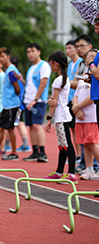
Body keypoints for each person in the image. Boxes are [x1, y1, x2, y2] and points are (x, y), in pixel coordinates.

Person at [44, 51, 77, 184]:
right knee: (63, 145)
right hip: (62, 116)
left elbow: (54, 102)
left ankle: (72, 174)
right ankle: (59, 171)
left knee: (67, 145)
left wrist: (48, 118)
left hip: (61, 117)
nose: (50, 66)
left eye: (51, 63)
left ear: (56, 64)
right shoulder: (64, 79)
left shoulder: (58, 80)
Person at [19, 43, 51, 162]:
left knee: (37, 125)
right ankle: (35, 152)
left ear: (39, 51)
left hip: (38, 101)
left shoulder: (44, 66)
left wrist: (35, 99)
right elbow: (29, 85)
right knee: (31, 127)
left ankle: (42, 153)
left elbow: (43, 83)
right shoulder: (31, 68)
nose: (30, 54)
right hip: (28, 102)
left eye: (33, 51)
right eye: (28, 52)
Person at [72, 49, 99, 180]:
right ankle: (89, 169)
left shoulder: (95, 76)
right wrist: (76, 108)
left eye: (93, 57)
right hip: (80, 117)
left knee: (91, 142)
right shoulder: (84, 78)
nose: (90, 59)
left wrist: (78, 106)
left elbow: (92, 97)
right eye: (88, 57)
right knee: (85, 143)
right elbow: (75, 95)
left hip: (91, 115)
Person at [10, 56, 31, 153]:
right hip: (19, 103)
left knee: (20, 123)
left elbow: (19, 90)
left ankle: (25, 145)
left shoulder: (14, 75)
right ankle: (24, 144)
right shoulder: (19, 75)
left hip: (17, 103)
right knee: (19, 123)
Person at [66, 40, 82, 158]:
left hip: (78, 99)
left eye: (70, 48)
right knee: (72, 128)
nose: (68, 51)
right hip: (69, 99)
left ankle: (81, 156)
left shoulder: (81, 62)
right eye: (66, 48)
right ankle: (77, 155)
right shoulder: (70, 64)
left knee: (78, 129)